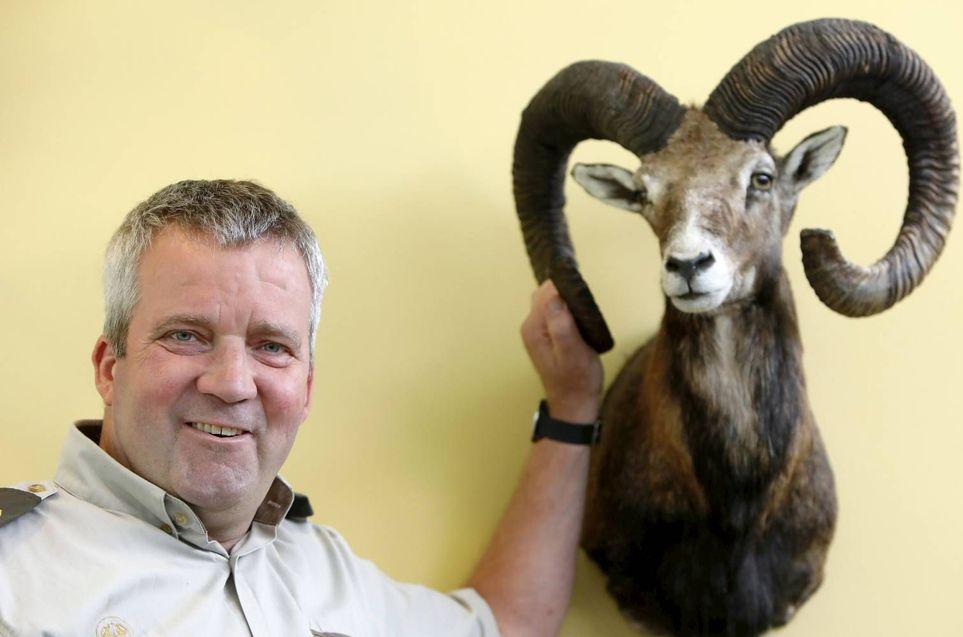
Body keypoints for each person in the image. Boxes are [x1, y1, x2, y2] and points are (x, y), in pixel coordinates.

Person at [0, 180, 603, 637]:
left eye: (271, 347)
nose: (233, 383)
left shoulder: (326, 569)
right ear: (110, 367)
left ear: (306, 388)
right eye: (186, 335)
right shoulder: (15, 572)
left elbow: (504, 623)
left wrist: (573, 405)